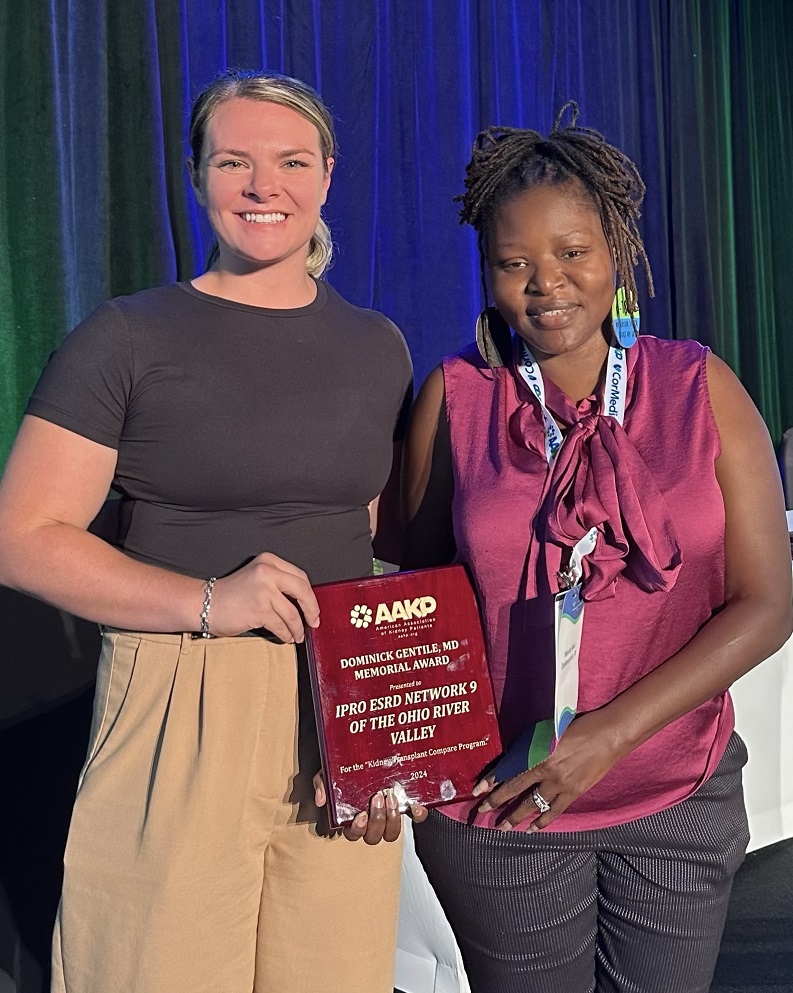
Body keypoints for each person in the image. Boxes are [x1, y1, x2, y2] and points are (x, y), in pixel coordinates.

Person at [0, 69, 414, 993]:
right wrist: (207, 602)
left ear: (328, 177)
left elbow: (377, 538)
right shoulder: (128, 336)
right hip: (179, 696)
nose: (264, 186)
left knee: (335, 976)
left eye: (290, 161)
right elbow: (22, 535)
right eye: (235, 161)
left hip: (339, 704)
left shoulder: (378, 345)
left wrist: (392, 732)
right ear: (198, 178)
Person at [401, 104, 792, 993]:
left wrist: (605, 738)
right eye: (515, 263)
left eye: (572, 253)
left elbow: (769, 602)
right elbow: (420, 603)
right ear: (488, 273)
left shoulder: (699, 384)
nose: (546, 283)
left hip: (676, 797)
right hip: (503, 808)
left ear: (614, 251)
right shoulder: (457, 397)